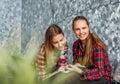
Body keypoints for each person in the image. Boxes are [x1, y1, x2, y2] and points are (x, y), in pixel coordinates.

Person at [66, 16, 113, 84]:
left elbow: (100, 72)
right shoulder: (76, 45)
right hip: (86, 76)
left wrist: (80, 71)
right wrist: (70, 68)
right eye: (77, 29)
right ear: (73, 30)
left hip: (103, 78)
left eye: (84, 28)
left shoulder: (96, 45)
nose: (81, 32)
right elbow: (77, 64)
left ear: (89, 27)